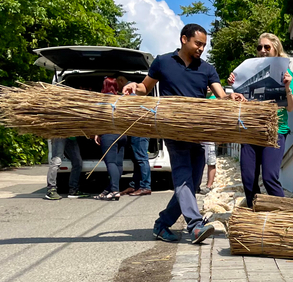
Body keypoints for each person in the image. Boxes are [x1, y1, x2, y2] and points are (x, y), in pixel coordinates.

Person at [122, 23, 245, 244]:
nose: (201, 48)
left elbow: (220, 96)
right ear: (184, 39)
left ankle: (162, 224)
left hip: (197, 132)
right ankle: (195, 226)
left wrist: (231, 97)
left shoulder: (207, 69)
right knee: (183, 176)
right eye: (198, 43)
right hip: (173, 130)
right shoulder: (163, 62)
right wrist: (134, 86)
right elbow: (145, 88)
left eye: (204, 45)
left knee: (191, 182)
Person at [228, 32, 293, 207]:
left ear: (276, 49)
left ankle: (283, 216)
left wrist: (287, 87)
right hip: (250, 130)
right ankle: (255, 217)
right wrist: (233, 86)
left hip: (275, 131)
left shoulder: (286, 73)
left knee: (269, 177)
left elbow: (290, 107)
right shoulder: (246, 71)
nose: (263, 50)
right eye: (259, 47)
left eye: (267, 47)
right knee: (248, 179)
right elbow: (239, 100)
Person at [116, 76, 152, 197]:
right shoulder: (133, 93)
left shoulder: (132, 93)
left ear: (121, 81)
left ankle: (145, 186)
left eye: (117, 83)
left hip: (140, 131)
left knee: (141, 158)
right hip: (136, 131)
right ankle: (134, 184)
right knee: (137, 158)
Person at [93, 77, 127, 201]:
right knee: (118, 163)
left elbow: (99, 119)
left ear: (105, 86)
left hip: (109, 135)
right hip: (122, 135)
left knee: (111, 162)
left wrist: (97, 133)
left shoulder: (101, 101)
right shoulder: (121, 99)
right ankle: (109, 189)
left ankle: (114, 190)